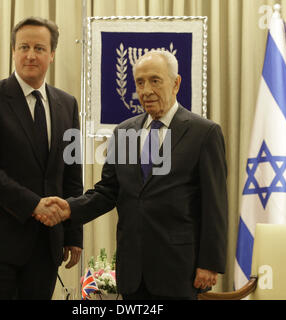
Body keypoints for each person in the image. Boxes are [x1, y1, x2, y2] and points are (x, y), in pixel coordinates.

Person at [36, 50, 228, 300]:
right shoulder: (124, 132)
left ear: (176, 83)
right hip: (133, 271)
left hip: (180, 269)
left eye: (155, 80)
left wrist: (210, 263)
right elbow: (107, 192)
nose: (146, 90)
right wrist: (69, 209)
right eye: (140, 82)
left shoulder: (204, 133)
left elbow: (215, 205)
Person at [0, 17, 83, 300]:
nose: (30, 55)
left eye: (39, 48)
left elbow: (72, 172)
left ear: (52, 54)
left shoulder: (67, 104)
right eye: (23, 46)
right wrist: (34, 205)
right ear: (13, 51)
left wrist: (73, 233)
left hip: (45, 246)